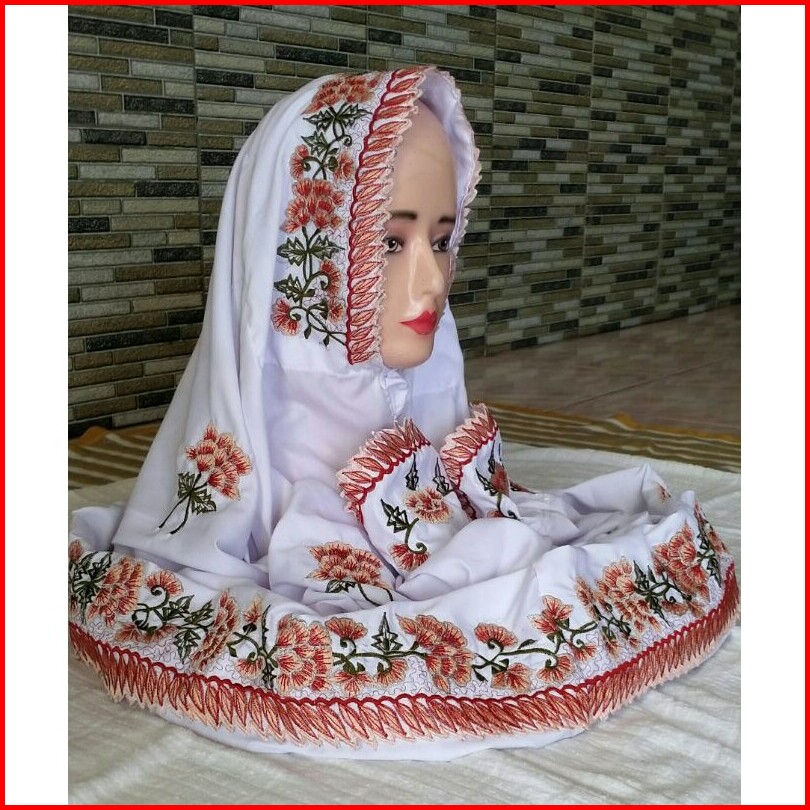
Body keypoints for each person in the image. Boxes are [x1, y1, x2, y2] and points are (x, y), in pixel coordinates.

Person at [68, 66, 739, 760]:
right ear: (301, 263)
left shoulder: (430, 442)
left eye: (442, 241)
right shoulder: (231, 489)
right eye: (390, 242)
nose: (432, 281)